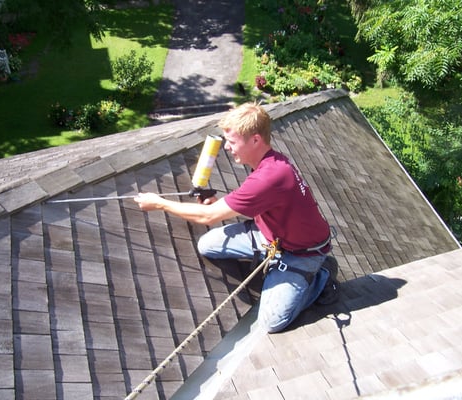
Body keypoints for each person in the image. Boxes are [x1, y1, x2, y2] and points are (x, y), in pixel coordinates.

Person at [135, 102, 339, 333]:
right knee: (207, 245)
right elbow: (254, 199)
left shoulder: (270, 177)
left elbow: (208, 217)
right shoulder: (270, 162)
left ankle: (322, 276)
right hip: (270, 235)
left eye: (232, 142)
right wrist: (220, 203)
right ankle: (273, 259)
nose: (227, 148)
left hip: (302, 252)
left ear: (255, 140)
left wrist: (159, 203)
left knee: (272, 322)